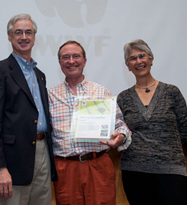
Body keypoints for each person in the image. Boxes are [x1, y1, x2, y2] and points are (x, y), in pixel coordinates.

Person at [0, 14, 57, 205]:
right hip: (11, 161)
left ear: (34, 37)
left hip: (42, 154)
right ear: (9, 36)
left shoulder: (40, 75)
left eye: (28, 32)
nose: (24, 37)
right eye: (18, 32)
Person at [48, 40, 132, 205]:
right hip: (65, 169)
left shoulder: (101, 91)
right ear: (60, 63)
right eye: (66, 57)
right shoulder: (50, 95)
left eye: (76, 56)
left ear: (84, 61)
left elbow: (120, 125)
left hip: (97, 165)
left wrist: (121, 136)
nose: (71, 61)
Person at [117, 39, 187, 205]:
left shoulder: (171, 92)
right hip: (134, 171)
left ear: (151, 58)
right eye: (132, 58)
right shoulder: (123, 98)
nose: (138, 61)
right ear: (128, 65)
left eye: (142, 56)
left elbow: (184, 129)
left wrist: (164, 152)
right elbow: (120, 130)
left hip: (171, 170)